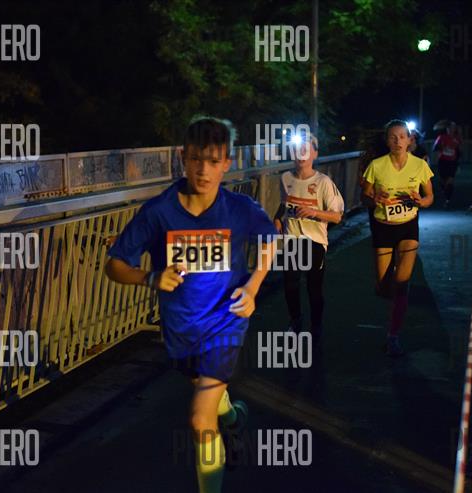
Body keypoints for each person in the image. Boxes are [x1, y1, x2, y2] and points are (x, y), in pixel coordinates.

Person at [105, 116, 277, 493]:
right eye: (196, 159)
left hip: (226, 321)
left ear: (227, 163)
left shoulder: (240, 208)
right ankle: (233, 419)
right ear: (183, 157)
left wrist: (252, 287)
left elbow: (270, 238)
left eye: (213, 161)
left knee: (200, 418)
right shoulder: (159, 212)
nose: (203, 170)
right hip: (181, 328)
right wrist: (150, 278)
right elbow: (114, 265)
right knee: (207, 398)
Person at [361, 119, 434, 356]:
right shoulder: (376, 165)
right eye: (393, 137)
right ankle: (392, 292)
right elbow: (364, 197)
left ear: (409, 140)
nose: (398, 141)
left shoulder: (419, 165)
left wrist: (420, 201)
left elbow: (429, 197)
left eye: (402, 136)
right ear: (387, 141)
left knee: (402, 284)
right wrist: (374, 199)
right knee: (384, 286)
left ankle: (393, 335)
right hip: (383, 227)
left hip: (408, 227)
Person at [273, 132, 344, 346]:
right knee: (290, 284)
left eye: (305, 149)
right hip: (291, 239)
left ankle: (316, 325)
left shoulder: (323, 182)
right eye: (296, 149)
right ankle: (296, 320)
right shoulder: (285, 178)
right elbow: (285, 204)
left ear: (315, 154)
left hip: (314, 240)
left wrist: (314, 213)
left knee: (314, 287)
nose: (300, 154)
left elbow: (337, 216)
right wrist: (277, 218)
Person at [433, 121, 461, 207]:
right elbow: (435, 148)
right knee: (442, 181)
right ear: (447, 129)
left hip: (452, 162)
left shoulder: (457, 138)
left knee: (450, 181)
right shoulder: (441, 137)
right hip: (443, 161)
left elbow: (459, 152)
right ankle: (445, 192)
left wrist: (458, 164)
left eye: (453, 128)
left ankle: (448, 200)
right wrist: (443, 147)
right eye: (450, 128)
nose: (451, 129)